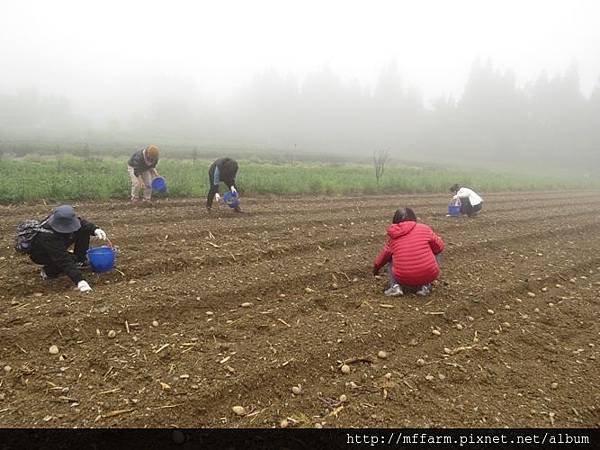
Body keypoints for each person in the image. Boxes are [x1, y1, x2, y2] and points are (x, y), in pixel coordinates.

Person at [29, 205, 108, 292]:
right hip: (42, 254)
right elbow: (62, 259)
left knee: (83, 231)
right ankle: (48, 271)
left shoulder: (66, 219)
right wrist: (80, 281)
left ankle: (80, 260)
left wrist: (95, 230)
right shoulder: (47, 235)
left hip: (59, 242)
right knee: (70, 260)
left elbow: (82, 224)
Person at [373, 207, 444, 297]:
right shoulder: (425, 229)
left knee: (390, 257)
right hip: (428, 274)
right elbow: (440, 246)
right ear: (414, 218)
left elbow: (383, 256)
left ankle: (395, 287)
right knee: (437, 251)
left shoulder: (394, 237)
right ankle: (425, 286)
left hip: (403, 278)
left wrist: (376, 268)